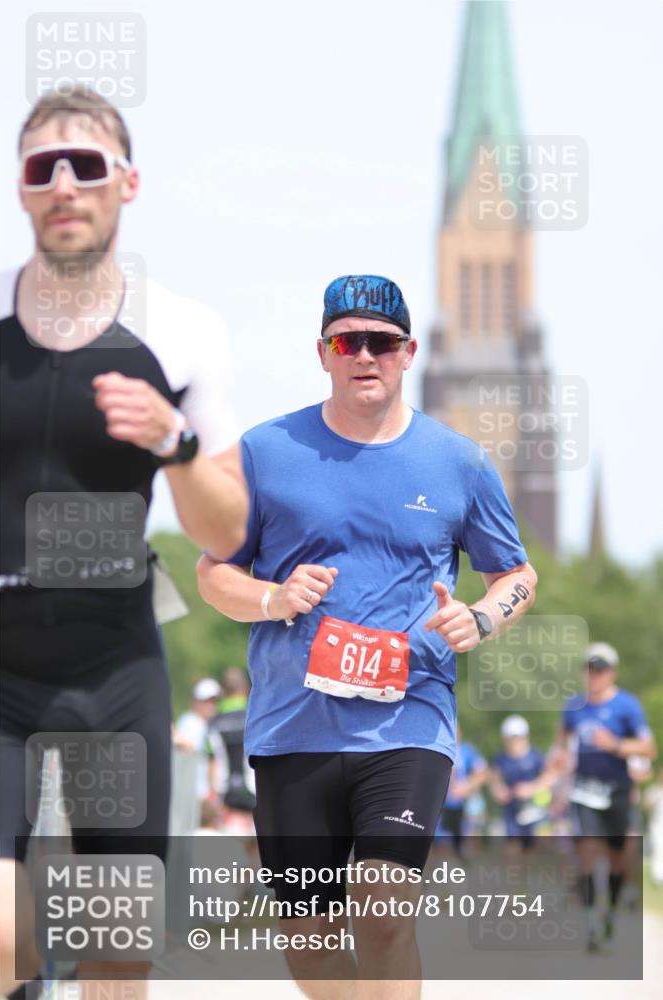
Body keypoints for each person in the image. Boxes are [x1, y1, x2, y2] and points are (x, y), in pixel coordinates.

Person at [198, 273, 538, 1000]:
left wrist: (478, 618)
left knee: (383, 912)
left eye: (382, 343)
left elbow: (516, 576)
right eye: (347, 341)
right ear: (322, 352)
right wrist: (273, 595)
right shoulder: (265, 451)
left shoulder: (459, 462)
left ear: (409, 352)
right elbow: (212, 576)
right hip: (294, 728)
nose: (365, 356)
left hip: (409, 721)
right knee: (312, 945)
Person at [0, 86, 248, 1000]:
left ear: (127, 183)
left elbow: (228, 528)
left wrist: (173, 445)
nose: (63, 183)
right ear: (22, 192)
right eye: (41, 169)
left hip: (113, 668)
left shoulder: (183, 332)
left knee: (117, 951)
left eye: (86, 164)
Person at [557, 642, 657, 952]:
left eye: (599, 670)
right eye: (589, 669)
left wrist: (615, 745)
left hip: (617, 791)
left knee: (617, 860)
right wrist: (558, 772)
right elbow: (561, 748)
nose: (594, 676)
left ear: (611, 673)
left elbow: (648, 749)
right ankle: (591, 925)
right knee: (587, 852)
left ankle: (610, 912)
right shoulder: (573, 707)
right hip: (584, 790)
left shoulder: (628, 705)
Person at [489, 715, 556, 852]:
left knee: (534, 846)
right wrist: (498, 790)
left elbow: (549, 776)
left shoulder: (535, 755)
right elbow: (494, 779)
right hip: (511, 809)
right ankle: (515, 873)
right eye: (511, 738)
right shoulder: (500, 758)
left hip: (534, 808)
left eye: (519, 737)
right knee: (513, 846)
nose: (515, 742)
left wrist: (532, 788)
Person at [433, 726, 488, 859]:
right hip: (439, 807)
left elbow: (482, 774)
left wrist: (466, 787)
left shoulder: (467, 751)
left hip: (462, 807)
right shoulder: (435, 749)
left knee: (466, 845)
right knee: (440, 846)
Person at [209, 666, 256, 818]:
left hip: (223, 795)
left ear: (223, 690)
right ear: (246, 688)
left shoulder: (214, 720)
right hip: (254, 791)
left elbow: (212, 761)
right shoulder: (253, 714)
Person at [174, 677, 223, 802]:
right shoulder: (191, 723)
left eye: (214, 701)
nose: (211, 706)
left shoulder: (205, 725)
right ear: (195, 702)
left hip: (200, 796)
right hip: (193, 796)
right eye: (206, 701)